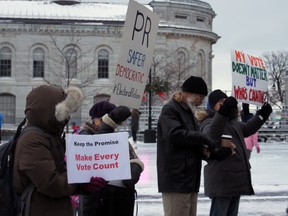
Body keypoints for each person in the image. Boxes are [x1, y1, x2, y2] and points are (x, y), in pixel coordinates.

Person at [13, 85, 108, 216]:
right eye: (65, 111)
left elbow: (62, 176)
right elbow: (51, 183)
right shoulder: (32, 140)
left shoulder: (49, 135)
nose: (67, 117)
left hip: (53, 208)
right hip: (40, 210)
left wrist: (85, 185)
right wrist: (82, 180)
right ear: (49, 110)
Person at [198, 89, 272, 216]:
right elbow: (211, 135)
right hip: (222, 179)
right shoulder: (208, 121)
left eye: (225, 102)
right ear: (212, 106)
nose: (223, 104)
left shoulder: (232, 122)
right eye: (220, 102)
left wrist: (261, 115)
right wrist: (224, 112)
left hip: (235, 179)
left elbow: (248, 128)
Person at [157, 75, 217, 216]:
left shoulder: (189, 112)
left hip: (189, 179)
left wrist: (212, 153)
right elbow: (175, 134)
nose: (201, 100)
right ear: (189, 93)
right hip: (176, 179)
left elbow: (190, 143)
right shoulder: (170, 109)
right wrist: (202, 137)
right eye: (200, 96)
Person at [78, 101, 144, 216]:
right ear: (97, 120)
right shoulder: (85, 135)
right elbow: (95, 150)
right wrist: (108, 126)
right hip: (97, 202)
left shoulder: (117, 138)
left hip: (117, 199)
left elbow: (131, 158)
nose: (115, 126)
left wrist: (135, 167)